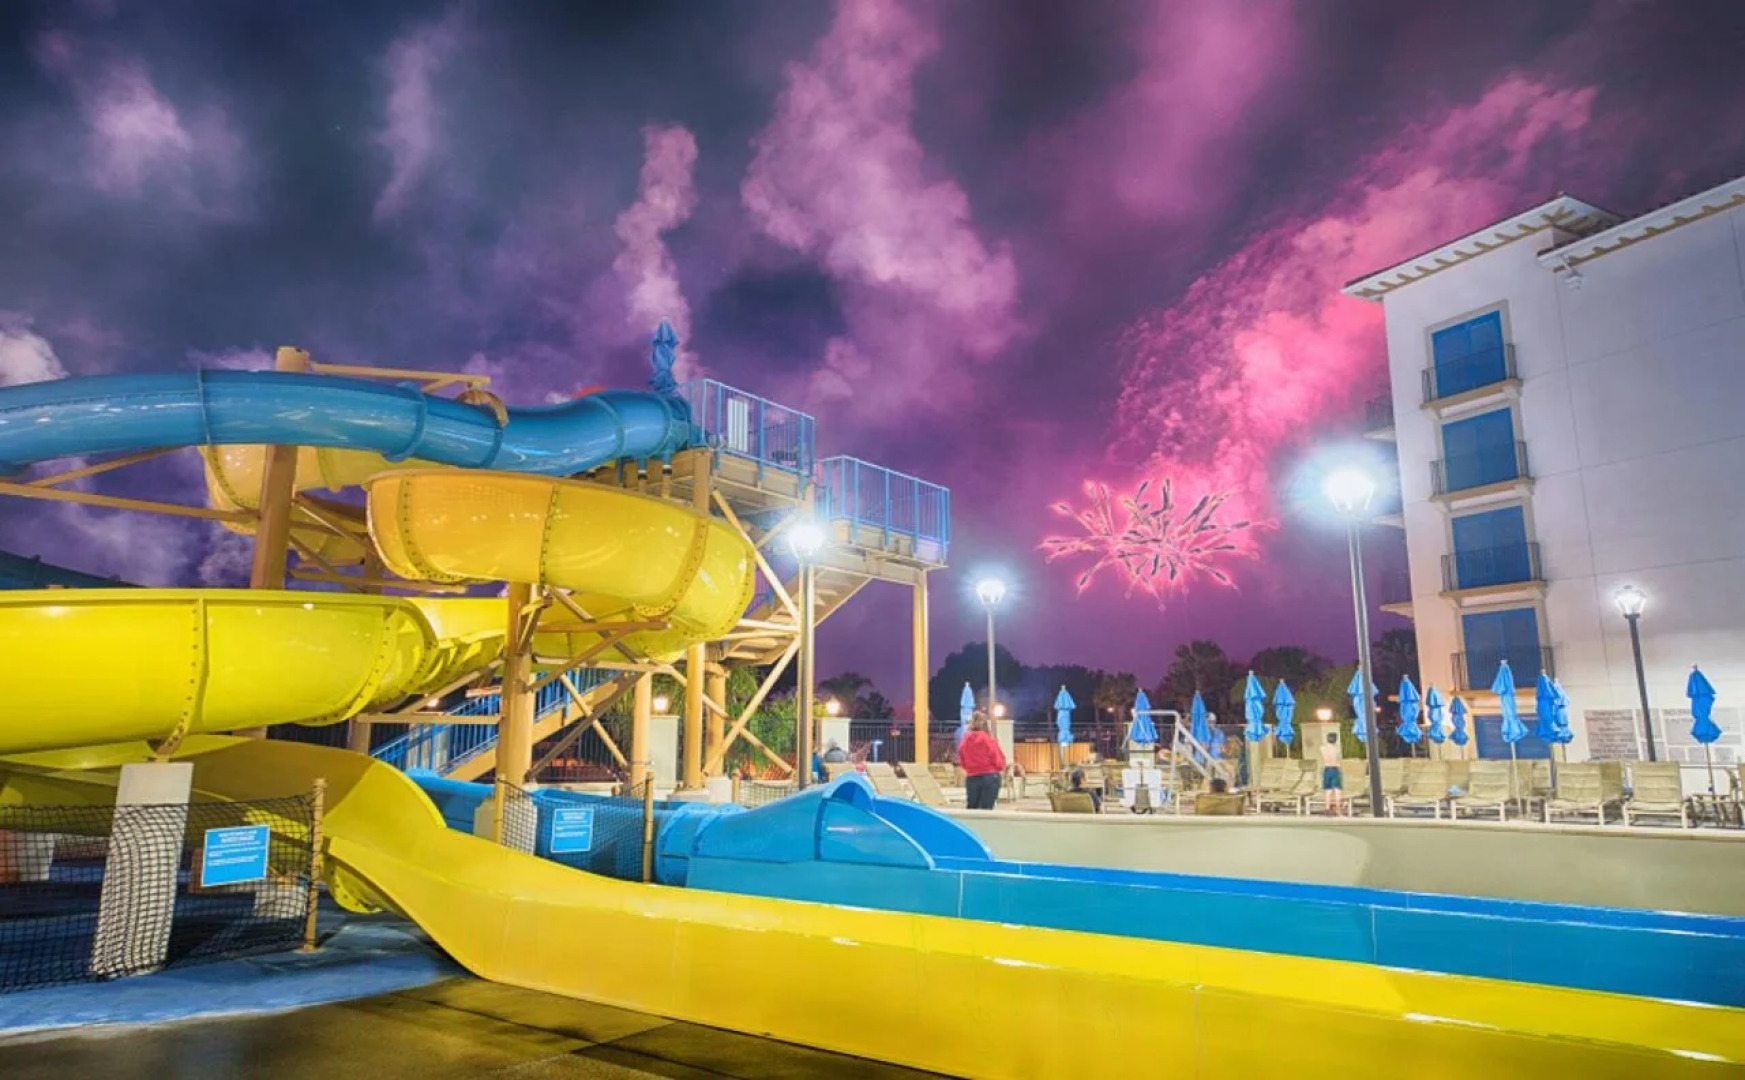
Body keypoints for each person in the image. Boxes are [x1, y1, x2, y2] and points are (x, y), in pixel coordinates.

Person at [958, 713, 1007, 810]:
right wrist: (1000, 767)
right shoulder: (988, 740)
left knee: (972, 808)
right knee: (986, 810)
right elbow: (997, 759)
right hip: (989, 776)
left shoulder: (964, 741)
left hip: (972, 777)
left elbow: (962, 760)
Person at [1320, 731, 1343, 812]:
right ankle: (1338, 809)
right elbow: (1339, 759)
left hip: (1327, 769)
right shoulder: (1337, 749)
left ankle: (1327, 808)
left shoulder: (1322, 748)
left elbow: (1325, 755)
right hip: (1335, 769)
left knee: (1328, 790)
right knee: (1337, 790)